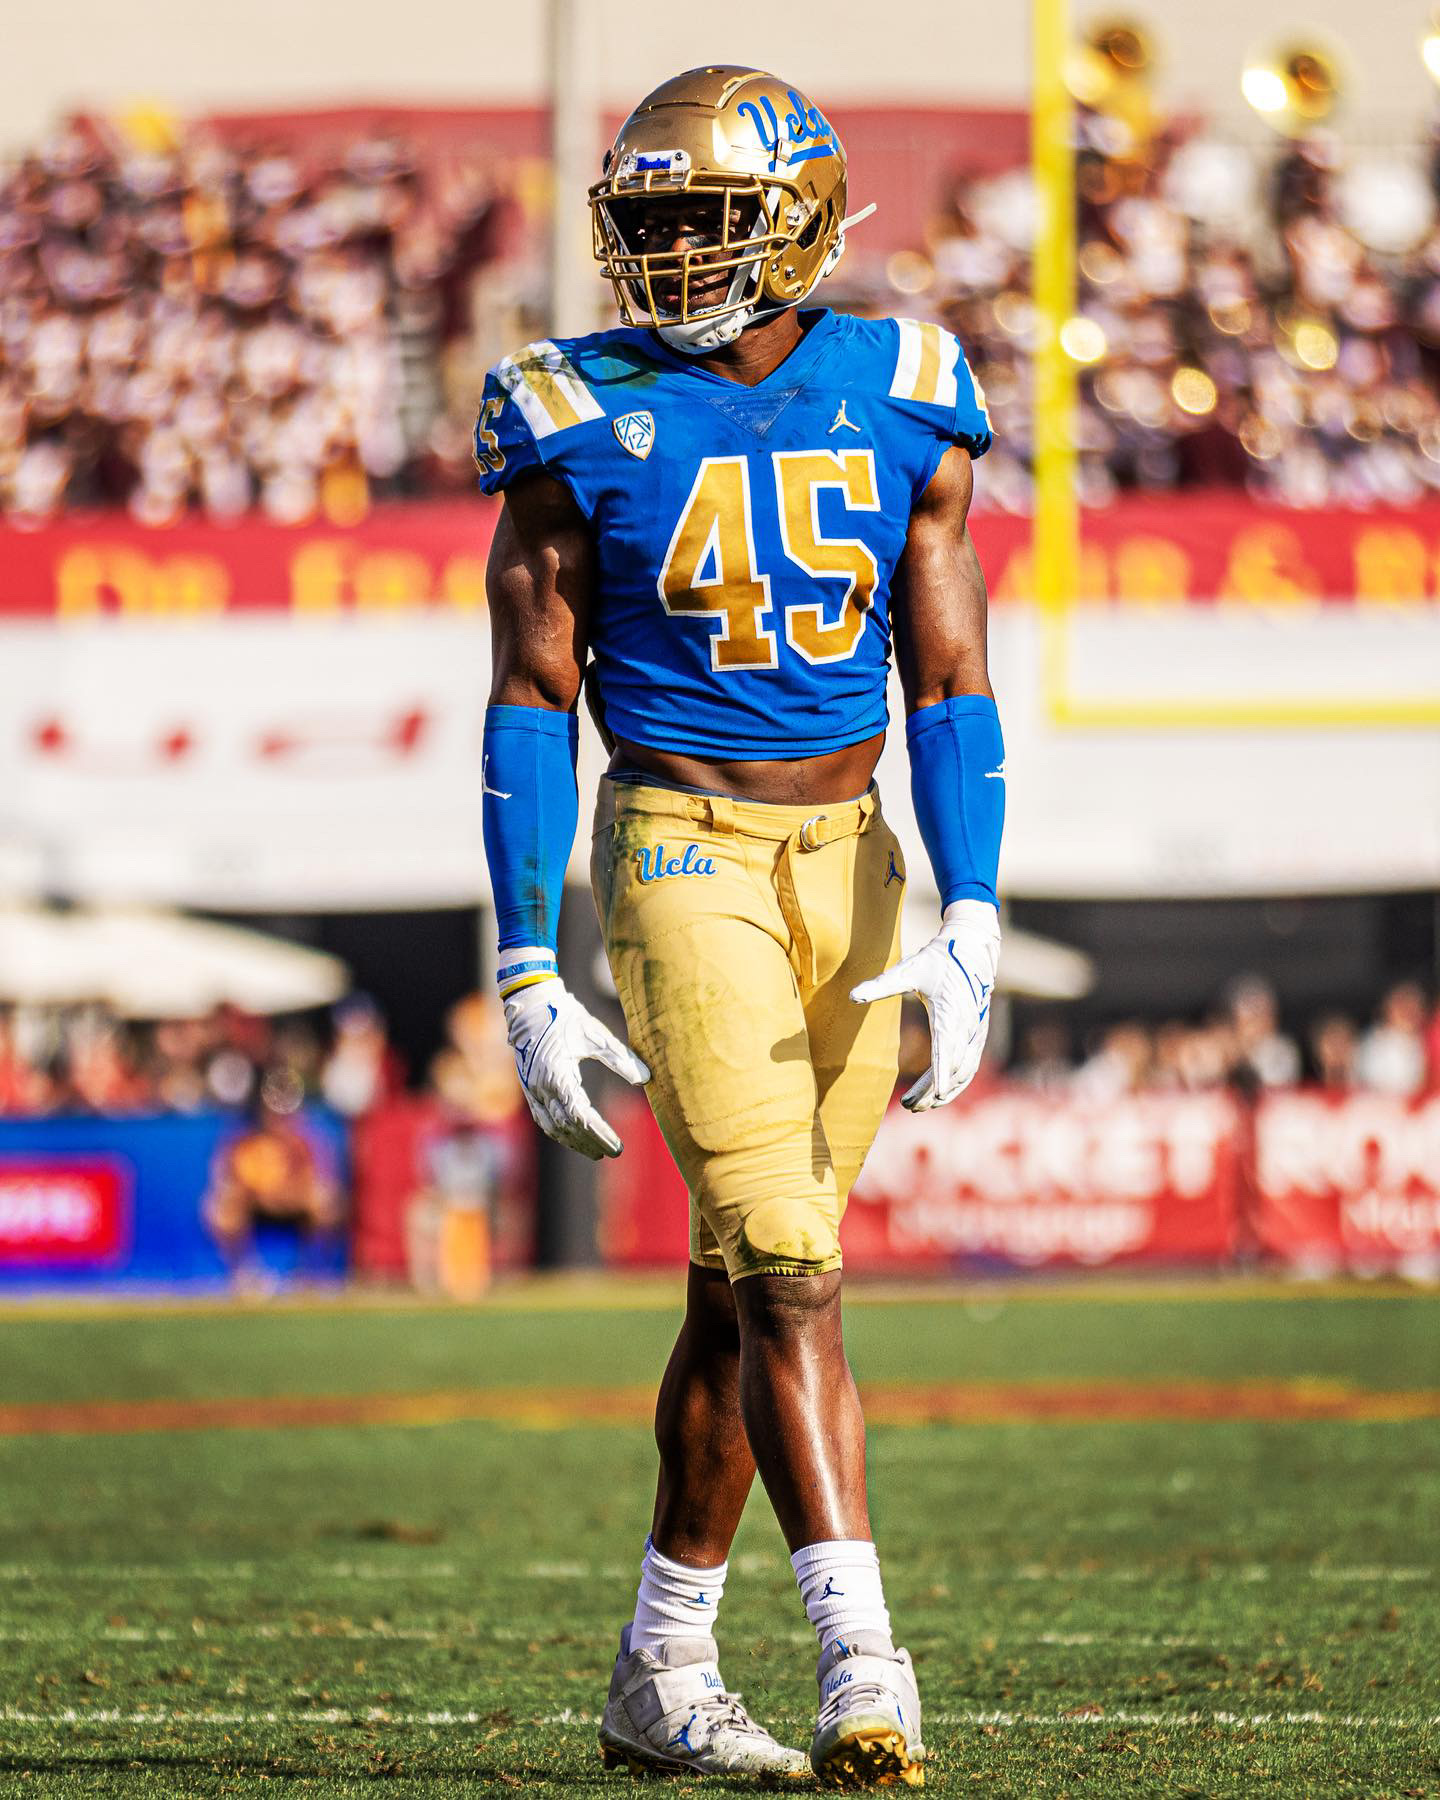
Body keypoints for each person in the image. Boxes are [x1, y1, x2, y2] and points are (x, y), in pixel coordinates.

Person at [477, 67, 1003, 1788]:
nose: (667, 255)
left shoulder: (906, 389)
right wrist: (528, 959)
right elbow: (533, 699)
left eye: (699, 219)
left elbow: (950, 678)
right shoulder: (574, 406)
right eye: (646, 223)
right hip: (680, 841)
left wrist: (976, 903)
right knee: (791, 1262)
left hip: (853, 861)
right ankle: (869, 1659)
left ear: (796, 217)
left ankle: (660, 1671)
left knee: (732, 1287)